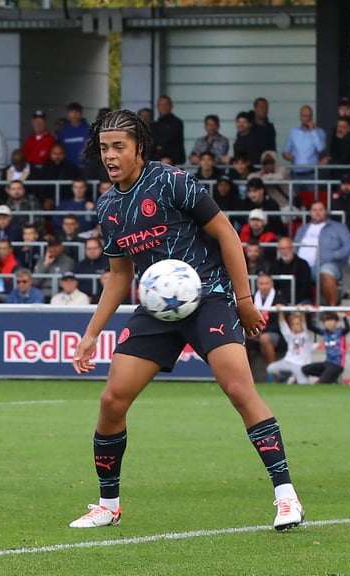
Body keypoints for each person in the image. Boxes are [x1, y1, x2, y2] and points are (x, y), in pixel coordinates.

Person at [70, 109, 303, 532]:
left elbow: (227, 233)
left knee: (239, 389)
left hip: (209, 297)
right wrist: (91, 335)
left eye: (119, 146)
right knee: (111, 401)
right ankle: (108, 504)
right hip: (156, 312)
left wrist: (245, 299)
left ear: (139, 147)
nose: (110, 155)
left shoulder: (170, 181)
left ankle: (286, 497)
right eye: (104, 148)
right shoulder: (108, 207)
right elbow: (120, 275)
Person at [294, 201, 350, 306]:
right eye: (314, 210)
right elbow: (295, 247)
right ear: (310, 212)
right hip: (302, 265)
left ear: (326, 211)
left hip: (327, 263)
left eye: (320, 210)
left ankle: (332, 309)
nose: (317, 213)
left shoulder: (338, 227)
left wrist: (334, 255)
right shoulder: (302, 229)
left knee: (326, 272)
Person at [265, 306, 312, 385]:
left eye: (298, 324)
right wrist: (280, 312)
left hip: (301, 365)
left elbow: (305, 324)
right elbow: (283, 325)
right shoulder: (290, 336)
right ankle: (284, 378)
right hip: (288, 362)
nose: (295, 326)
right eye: (293, 324)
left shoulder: (308, 335)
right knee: (271, 368)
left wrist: (302, 312)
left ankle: (292, 379)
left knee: (303, 383)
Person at [304, 312, 350, 384]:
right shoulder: (325, 332)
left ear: (336, 321)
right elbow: (310, 327)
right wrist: (308, 312)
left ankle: (333, 375)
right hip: (327, 362)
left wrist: (344, 317)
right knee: (305, 369)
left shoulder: (340, 332)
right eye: (326, 321)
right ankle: (332, 376)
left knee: (323, 381)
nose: (329, 323)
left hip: (337, 364)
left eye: (331, 320)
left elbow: (348, 329)